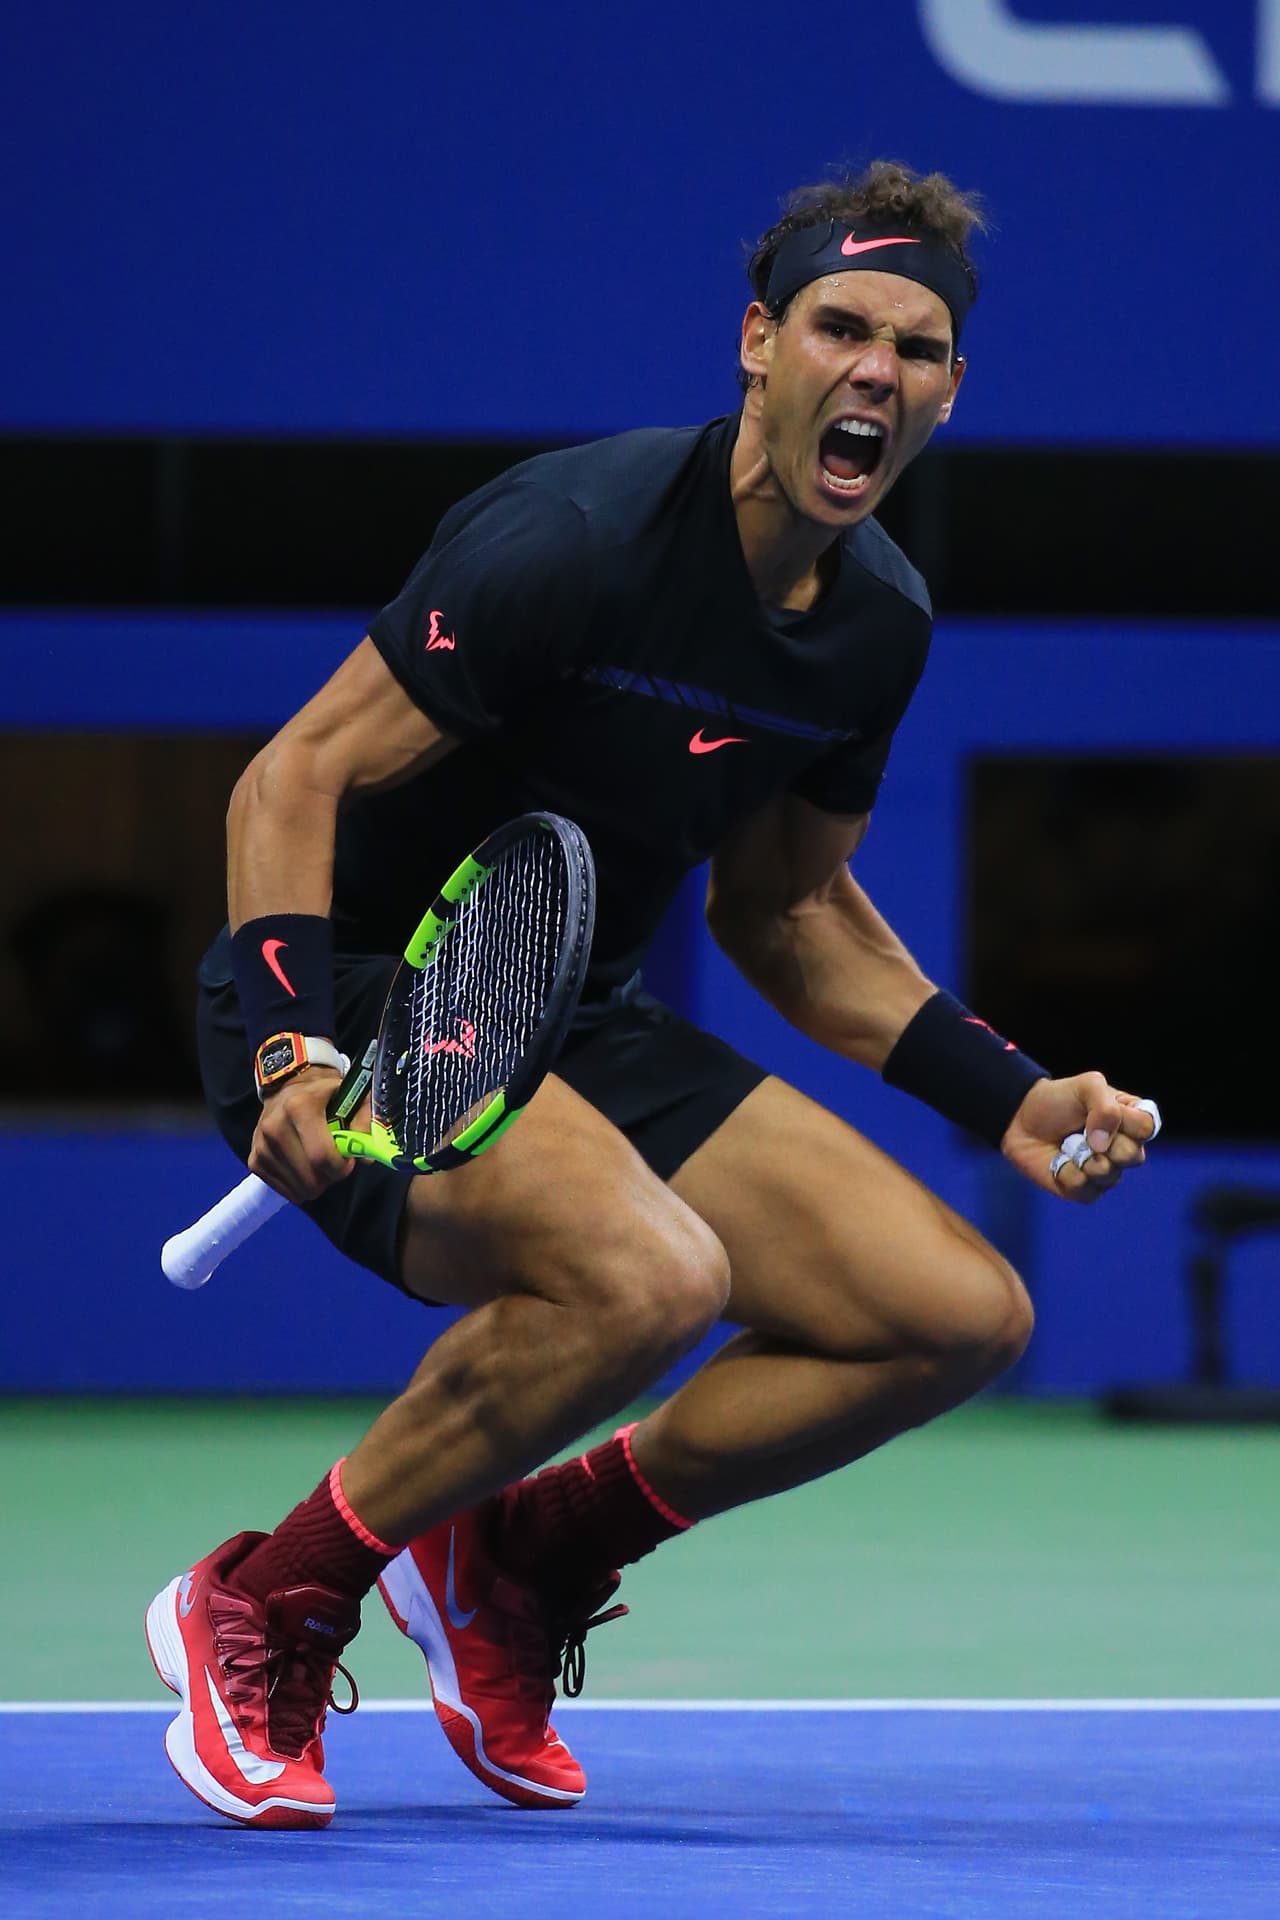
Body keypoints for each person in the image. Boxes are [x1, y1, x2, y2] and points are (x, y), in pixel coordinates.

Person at [145, 160, 1158, 1829]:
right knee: (652, 1277)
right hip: (357, 997)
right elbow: (293, 777)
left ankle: (526, 1557)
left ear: (951, 390)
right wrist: (284, 1043)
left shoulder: (874, 628)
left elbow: (793, 913)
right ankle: (270, 1596)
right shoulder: (573, 539)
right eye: (839, 326)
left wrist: (1014, 1096)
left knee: (956, 1314)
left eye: (915, 348)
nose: (874, 373)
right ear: (759, 342)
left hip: (572, 1014)